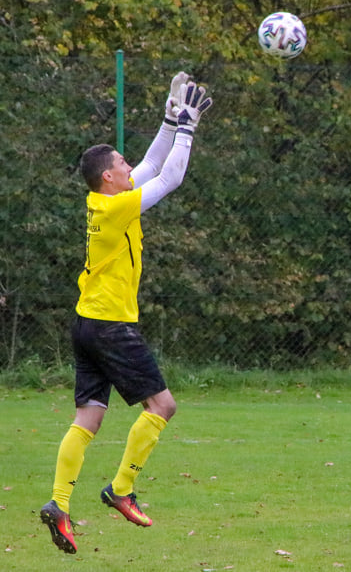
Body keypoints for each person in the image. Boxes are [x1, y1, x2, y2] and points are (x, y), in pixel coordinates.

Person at [39, 72, 213, 554]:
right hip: (112, 326)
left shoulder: (105, 198)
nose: (127, 163)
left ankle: (59, 503)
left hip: (86, 323)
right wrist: (188, 126)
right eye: (120, 162)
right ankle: (120, 489)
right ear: (110, 177)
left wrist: (170, 115)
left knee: (86, 419)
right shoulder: (117, 209)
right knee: (163, 406)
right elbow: (171, 174)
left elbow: (154, 161)